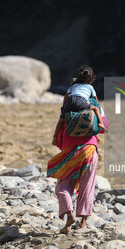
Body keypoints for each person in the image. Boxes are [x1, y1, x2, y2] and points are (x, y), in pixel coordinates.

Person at [47, 72, 109, 233]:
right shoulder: (93, 102)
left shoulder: (68, 105)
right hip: (90, 151)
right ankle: (83, 224)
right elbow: (104, 126)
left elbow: (61, 127)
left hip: (70, 152)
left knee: (62, 186)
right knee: (87, 186)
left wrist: (56, 138)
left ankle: (68, 215)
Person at [52, 65, 107, 146]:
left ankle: (55, 137)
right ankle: (101, 123)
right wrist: (94, 105)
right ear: (91, 79)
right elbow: (96, 99)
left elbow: (66, 97)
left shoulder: (73, 86)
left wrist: (64, 107)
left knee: (61, 120)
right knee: (96, 108)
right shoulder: (90, 87)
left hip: (69, 101)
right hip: (81, 101)